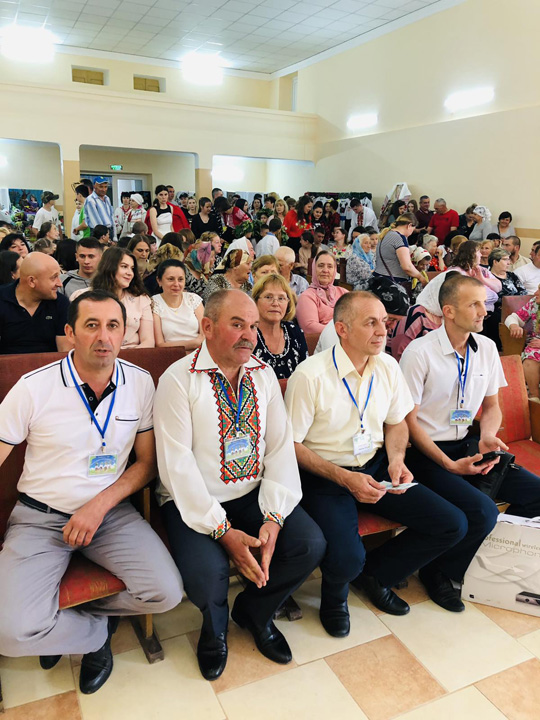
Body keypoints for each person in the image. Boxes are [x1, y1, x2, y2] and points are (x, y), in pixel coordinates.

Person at [0, 289, 183, 693]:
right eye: (91, 325)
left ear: (124, 332)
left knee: (166, 593)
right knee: (9, 632)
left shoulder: (140, 382)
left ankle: (62, 621)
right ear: (70, 332)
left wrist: (99, 506)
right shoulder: (34, 387)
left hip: (111, 514)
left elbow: (146, 464)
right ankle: (95, 635)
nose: (104, 336)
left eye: (113, 325)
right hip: (40, 517)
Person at [153, 289, 326, 680]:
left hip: (251, 493)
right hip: (192, 501)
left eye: (252, 326)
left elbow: (279, 448)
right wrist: (223, 531)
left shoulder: (262, 375)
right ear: (207, 326)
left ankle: (255, 612)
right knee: (207, 573)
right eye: (237, 325)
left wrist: (274, 516)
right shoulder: (178, 380)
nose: (249, 335)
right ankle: (214, 631)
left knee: (308, 544)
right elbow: (176, 467)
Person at [286, 290, 472, 634]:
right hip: (325, 476)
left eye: (384, 322)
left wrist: (397, 460)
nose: (382, 330)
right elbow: (291, 445)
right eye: (370, 323)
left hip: (375, 466)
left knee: (452, 524)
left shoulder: (387, 366)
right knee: (347, 557)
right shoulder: (310, 376)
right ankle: (334, 598)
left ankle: (376, 575)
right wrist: (344, 478)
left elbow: (397, 422)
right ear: (342, 329)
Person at [401, 274, 540, 609]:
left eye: (483, 303)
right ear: (448, 311)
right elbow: (408, 422)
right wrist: (448, 464)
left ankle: (476, 558)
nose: (484, 311)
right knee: (481, 511)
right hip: (425, 452)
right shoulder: (420, 353)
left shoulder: (487, 348)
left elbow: (491, 407)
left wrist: (489, 436)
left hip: (468, 443)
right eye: (474, 304)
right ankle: (438, 571)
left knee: (536, 495)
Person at [71, 248, 154, 349]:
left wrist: (128, 356)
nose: (130, 273)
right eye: (124, 267)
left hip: (133, 353)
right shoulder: (82, 297)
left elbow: (148, 341)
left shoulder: (141, 299)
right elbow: (74, 337)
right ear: (109, 267)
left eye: (132, 268)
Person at [315, 276, 410, 354]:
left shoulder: (378, 331)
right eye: (391, 319)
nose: (393, 326)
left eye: (397, 321)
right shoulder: (339, 330)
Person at [0, 253, 70, 354]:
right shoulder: (2, 299)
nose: (59, 284)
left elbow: (64, 352)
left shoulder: (61, 303)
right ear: (31, 281)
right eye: (53, 278)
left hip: (51, 363)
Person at [253, 273, 308, 379]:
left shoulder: (294, 331)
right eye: (268, 297)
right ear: (255, 301)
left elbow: (305, 374)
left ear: (288, 303)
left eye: (281, 298)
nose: (275, 303)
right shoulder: (248, 334)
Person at [152, 259, 203, 350]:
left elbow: (205, 334)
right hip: (171, 355)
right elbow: (159, 344)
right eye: (170, 279)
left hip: (198, 353)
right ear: (159, 281)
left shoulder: (193, 299)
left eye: (180, 279)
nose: (176, 284)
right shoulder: (154, 302)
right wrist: (194, 343)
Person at [296, 251, 348, 334]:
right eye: (321, 266)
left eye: (330, 266)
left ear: (335, 270)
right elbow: (310, 327)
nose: (325, 270)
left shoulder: (343, 293)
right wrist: (342, 331)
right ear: (314, 269)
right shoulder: (307, 296)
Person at [374, 214, 427, 289]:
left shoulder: (385, 234)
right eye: (413, 229)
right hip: (392, 282)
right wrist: (421, 277)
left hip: (378, 278)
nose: (412, 232)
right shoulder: (400, 238)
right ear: (409, 225)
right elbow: (407, 267)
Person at [449, 240, 501, 311]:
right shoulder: (456, 271)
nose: (481, 255)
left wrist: (482, 279)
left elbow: (498, 287)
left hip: (487, 310)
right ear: (471, 254)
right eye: (479, 252)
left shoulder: (480, 269)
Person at [84, 177, 116, 243]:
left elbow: (111, 217)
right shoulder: (90, 200)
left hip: (109, 231)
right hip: (98, 233)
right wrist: (106, 238)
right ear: (94, 186)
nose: (104, 189)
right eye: (101, 187)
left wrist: (114, 236)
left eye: (105, 187)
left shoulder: (107, 198)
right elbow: (96, 222)